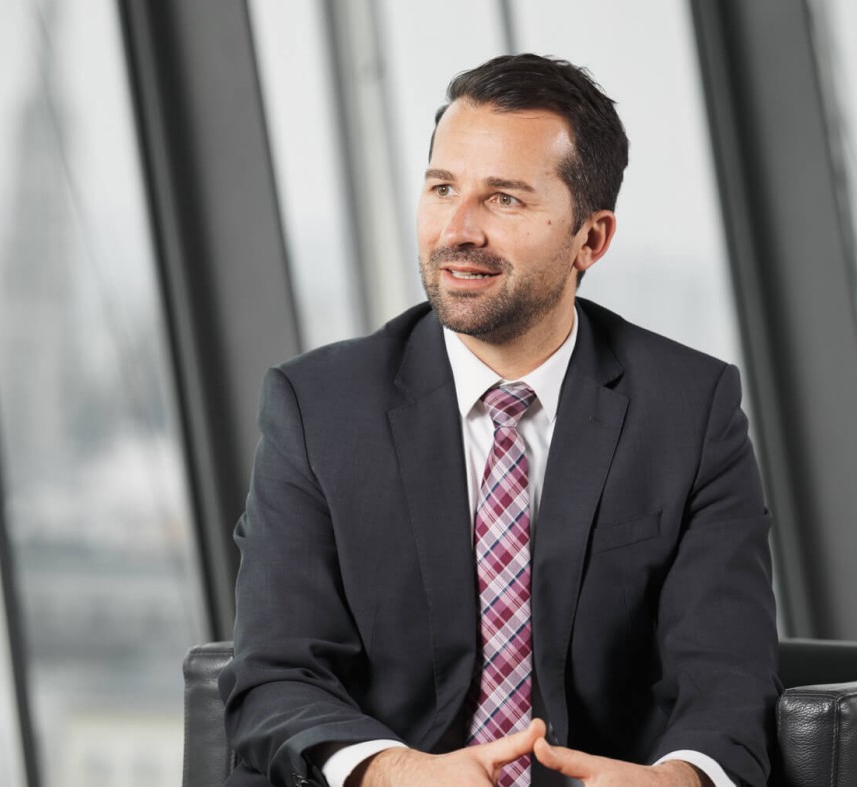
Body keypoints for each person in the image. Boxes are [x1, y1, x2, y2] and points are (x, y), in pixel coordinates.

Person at [220, 53, 779, 787]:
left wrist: (674, 780)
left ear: (592, 238)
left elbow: (728, 679)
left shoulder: (689, 409)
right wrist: (395, 772)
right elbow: (275, 674)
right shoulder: (318, 405)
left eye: (505, 200)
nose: (459, 229)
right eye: (443, 187)